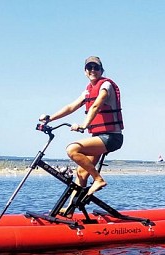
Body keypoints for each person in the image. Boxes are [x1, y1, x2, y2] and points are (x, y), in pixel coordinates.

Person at [40, 56, 123, 198]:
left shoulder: (105, 86)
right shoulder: (87, 91)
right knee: (81, 172)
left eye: (96, 67)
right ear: (85, 71)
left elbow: (97, 105)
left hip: (112, 137)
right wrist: (50, 119)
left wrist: (84, 124)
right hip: (98, 137)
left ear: (101, 70)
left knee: (72, 149)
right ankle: (70, 211)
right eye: (89, 68)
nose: (92, 70)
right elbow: (71, 107)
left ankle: (98, 180)